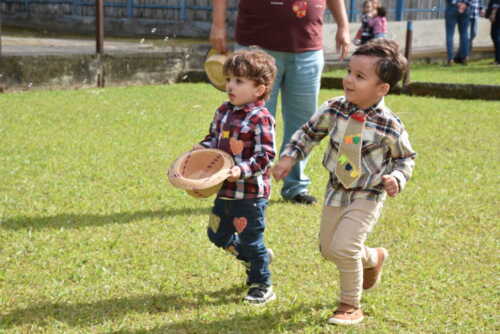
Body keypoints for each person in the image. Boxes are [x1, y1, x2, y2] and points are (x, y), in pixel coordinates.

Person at [272, 39, 416, 325]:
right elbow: (307, 134)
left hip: (369, 193)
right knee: (329, 249)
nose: (348, 80)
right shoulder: (334, 108)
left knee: (345, 248)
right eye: (349, 71)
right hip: (337, 189)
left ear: (382, 89)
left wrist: (397, 178)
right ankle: (373, 258)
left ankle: (350, 305)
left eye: (360, 77)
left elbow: (406, 158)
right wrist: (289, 158)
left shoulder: (390, 124)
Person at [210, 0, 350, 205]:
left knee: (303, 122)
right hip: (257, 47)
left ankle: (295, 187)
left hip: (307, 47)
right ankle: (249, 186)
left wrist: (343, 26)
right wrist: (218, 24)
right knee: (250, 122)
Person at [194, 50, 278, 304]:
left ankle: (262, 284)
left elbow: (266, 155)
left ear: (259, 89)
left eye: (239, 81)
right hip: (225, 190)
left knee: (252, 239)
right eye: (229, 78)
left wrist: (242, 169)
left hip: (250, 195)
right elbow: (213, 139)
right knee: (216, 233)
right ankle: (256, 257)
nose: (230, 85)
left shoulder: (261, 118)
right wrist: (202, 148)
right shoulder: (223, 111)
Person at [445, 0, 472, 65]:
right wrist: (465, 4)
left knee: (450, 34)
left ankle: (450, 59)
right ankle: (465, 57)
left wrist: (457, 3)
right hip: (465, 8)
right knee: (464, 34)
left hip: (452, 7)